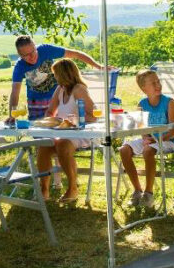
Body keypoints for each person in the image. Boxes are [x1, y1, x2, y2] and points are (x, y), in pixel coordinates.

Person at [36, 58, 98, 203]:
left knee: (63, 145)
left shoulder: (79, 89)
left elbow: (93, 115)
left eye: (56, 74)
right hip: (63, 132)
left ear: (64, 74)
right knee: (43, 146)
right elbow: (50, 111)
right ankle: (43, 189)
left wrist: (74, 122)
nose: (55, 77)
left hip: (82, 133)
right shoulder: (60, 89)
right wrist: (49, 121)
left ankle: (72, 189)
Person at [8, 35, 104, 122]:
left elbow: (76, 54)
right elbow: (15, 93)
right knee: (39, 135)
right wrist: (12, 115)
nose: (32, 57)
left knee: (62, 129)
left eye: (33, 51)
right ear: (20, 55)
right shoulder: (19, 67)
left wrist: (98, 66)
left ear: (35, 46)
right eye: (26, 55)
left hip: (56, 101)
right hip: (35, 105)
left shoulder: (46, 50)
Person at [119, 69, 174, 209]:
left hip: (168, 140)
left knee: (148, 151)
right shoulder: (141, 104)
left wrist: (159, 139)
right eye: (153, 83)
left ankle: (149, 194)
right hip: (150, 140)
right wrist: (145, 137)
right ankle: (137, 191)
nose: (158, 85)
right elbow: (141, 128)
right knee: (124, 150)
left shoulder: (169, 102)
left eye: (158, 81)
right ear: (143, 88)